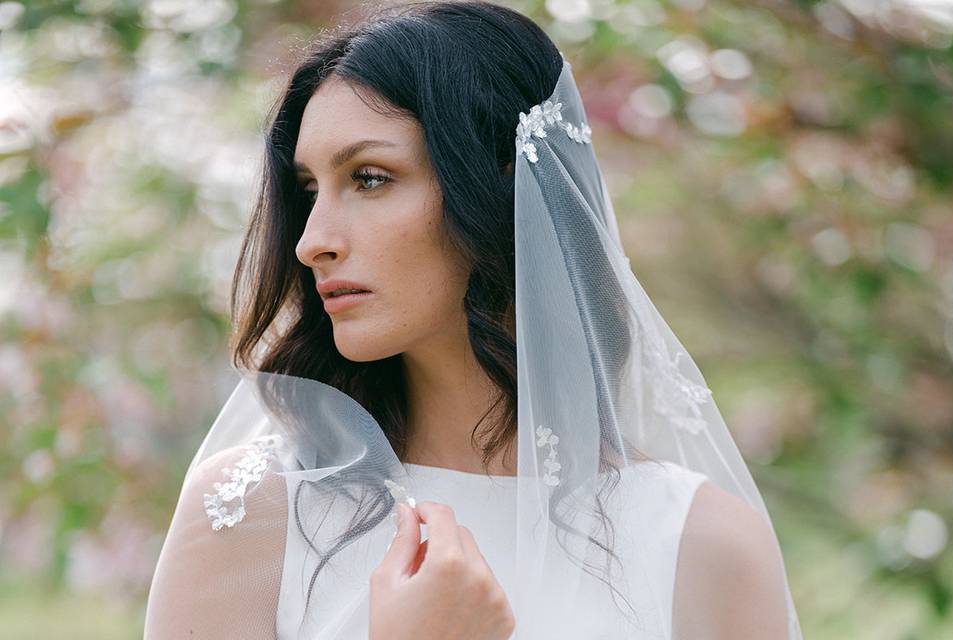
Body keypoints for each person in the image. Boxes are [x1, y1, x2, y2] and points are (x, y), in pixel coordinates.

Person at [143, 2, 803, 639]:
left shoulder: (703, 544)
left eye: (369, 178)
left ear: (500, 192)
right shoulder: (254, 514)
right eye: (310, 191)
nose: (312, 240)